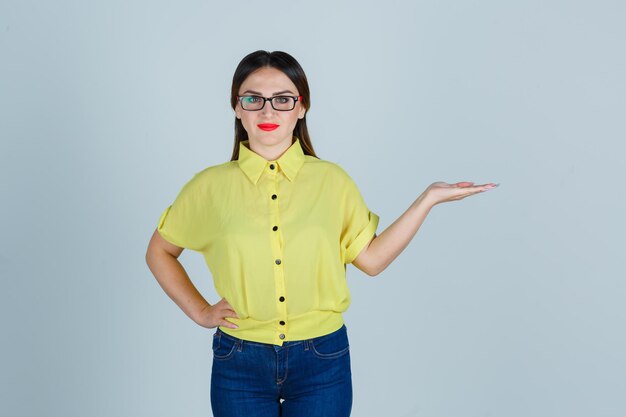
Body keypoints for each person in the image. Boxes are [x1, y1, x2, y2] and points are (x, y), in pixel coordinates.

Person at [145, 50, 498, 417]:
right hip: (240, 360)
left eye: (282, 100)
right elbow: (159, 251)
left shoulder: (333, 181)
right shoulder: (209, 187)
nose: (268, 112)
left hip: (321, 360)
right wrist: (201, 311)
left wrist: (427, 200)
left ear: (301, 107)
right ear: (237, 108)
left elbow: (372, 261)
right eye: (253, 100)